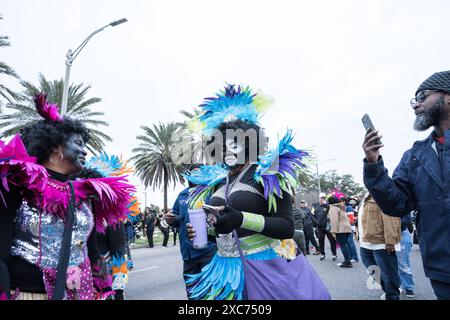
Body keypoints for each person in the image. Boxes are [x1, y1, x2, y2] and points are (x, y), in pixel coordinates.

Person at [183, 84, 329, 300]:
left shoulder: (271, 173)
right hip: (226, 272)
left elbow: (286, 227)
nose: (227, 150)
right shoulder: (216, 183)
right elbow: (223, 232)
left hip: (268, 267)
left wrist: (241, 218)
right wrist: (207, 230)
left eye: (233, 143)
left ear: (250, 142)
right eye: (221, 145)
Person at [0, 93, 134, 300]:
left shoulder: (84, 195)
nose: (84, 151)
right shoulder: (17, 185)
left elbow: (92, 251)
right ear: (55, 148)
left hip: (79, 293)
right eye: (78, 143)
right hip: (28, 294)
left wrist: (105, 289)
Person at [362, 70, 450, 300]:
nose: (415, 104)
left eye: (422, 96)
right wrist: (373, 164)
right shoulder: (415, 155)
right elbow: (397, 204)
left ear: (448, 97)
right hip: (443, 270)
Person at [163, 164, 217, 298]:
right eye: (193, 173)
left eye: (199, 173)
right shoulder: (182, 195)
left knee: (210, 293)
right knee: (192, 294)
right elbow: (177, 218)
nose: (196, 176)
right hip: (188, 254)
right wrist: (170, 220)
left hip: (209, 251)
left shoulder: (211, 191)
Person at [358, 193, 401, 300]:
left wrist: (390, 241)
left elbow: (391, 217)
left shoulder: (383, 193)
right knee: (373, 271)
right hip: (366, 242)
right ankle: (390, 290)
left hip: (381, 243)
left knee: (388, 274)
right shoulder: (366, 195)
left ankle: (393, 294)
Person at [328, 195, 353, 268]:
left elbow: (334, 220)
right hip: (347, 228)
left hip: (340, 229)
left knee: (343, 245)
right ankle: (347, 260)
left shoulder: (333, 208)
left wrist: (333, 231)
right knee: (345, 245)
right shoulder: (341, 206)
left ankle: (347, 262)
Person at [312, 193, 337, 261]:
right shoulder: (315, 205)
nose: (322, 199)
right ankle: (322, 254)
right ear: (319, 198)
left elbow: (331, 215)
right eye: (321, 198)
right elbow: (312, 215)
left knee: (332, 240)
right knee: (321, 241)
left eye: (323, 198)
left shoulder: (328, 205)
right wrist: (316, 222)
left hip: (327, 227)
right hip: (319, 227)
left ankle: (334, 254)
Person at [397, 213, 415, 298]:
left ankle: (408, 287)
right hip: (385, 235)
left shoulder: (402, 201)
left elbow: (406, 219)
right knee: (389, 264)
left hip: (401, 233)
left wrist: (392, 223)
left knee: (403, 263)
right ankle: (396, 285)